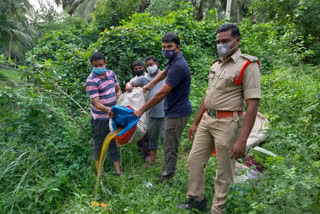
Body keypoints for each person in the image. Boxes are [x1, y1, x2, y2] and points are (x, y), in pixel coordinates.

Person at [178, 23, 261, 213]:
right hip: (208, 119)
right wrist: (196, 121)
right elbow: (208, 97)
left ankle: (218, 209)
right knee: (195, 160)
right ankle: (196, 199)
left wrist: (242, 140)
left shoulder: (248, 65)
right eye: (218, 41)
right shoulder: (216, 64)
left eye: (225, 41)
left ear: (237, 41)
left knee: (224, 172)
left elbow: (253, 104)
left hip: (228, 123)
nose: (221, 45)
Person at [134, 32, 193, 182]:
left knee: (169, 145)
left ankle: (167, 176)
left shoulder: (178, 66)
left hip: (177, 112)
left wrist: (142, 109)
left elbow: (161, 94)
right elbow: (164, 73)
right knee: (168, 142)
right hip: (173, 110)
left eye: (169, 47)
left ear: (177, 48)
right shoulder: (173, 60)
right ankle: (167, 171)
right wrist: (150, 84)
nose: (166, 50)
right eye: (164, 47)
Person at [86, 52, 122, 176]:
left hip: (113, 115)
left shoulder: (111, 74)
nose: (99, 67)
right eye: (96, 65)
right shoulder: (91, 80)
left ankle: (118, 171)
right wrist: (108, 110)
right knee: (99, 143)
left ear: (105, 63)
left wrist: (119, 99)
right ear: (91, 65)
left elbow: (118, 89)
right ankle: (99, 173)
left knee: (113, 141)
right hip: (100, 118)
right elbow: (96, 102)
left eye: (101, 64)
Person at [125, 55, 165, 168]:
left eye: (151, 65)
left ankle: (168, 163)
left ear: (157, 64)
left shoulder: (165, 75)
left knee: (165, 139)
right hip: (151, 114)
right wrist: (129, 86)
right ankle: (152, 159)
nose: (149, 67)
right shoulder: (145, 78)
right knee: (152, 138)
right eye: (147, 65)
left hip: (165, 114)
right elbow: (132, 83)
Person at [130, 60, 151, 164]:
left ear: (143, 67)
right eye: (136, 69)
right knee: (138, 131)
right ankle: (141, 150)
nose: (138, 70)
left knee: (146, 132)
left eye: (140, 68)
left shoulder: (149, 78)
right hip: (137, 108)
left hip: (149, 107)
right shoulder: (132, 81)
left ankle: (148, 153)